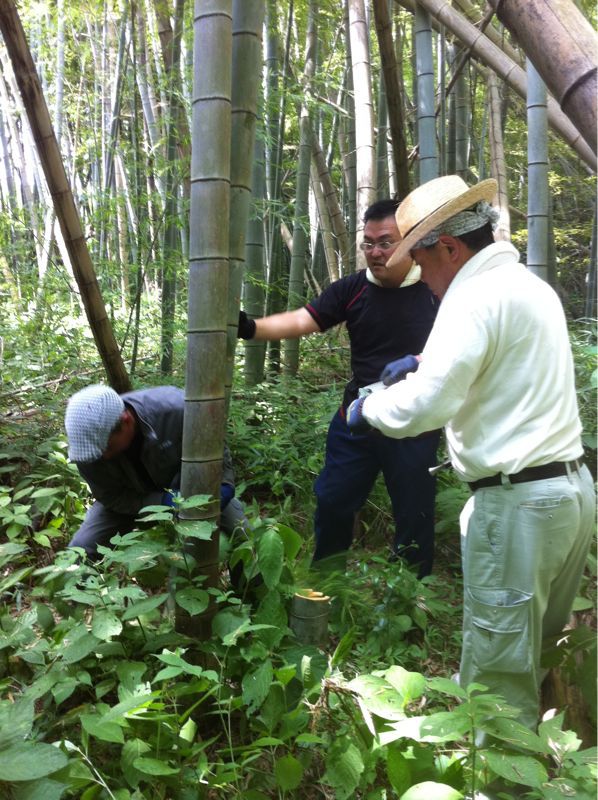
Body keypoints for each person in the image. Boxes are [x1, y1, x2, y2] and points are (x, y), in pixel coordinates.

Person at [346, 175, 595, 731]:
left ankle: (500, 783)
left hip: (517, 507)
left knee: (497, 674)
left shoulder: (473, 297)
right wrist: (423, 361)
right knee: (542, 650)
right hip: (569, 493)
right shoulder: (527, 286)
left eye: (422, 261)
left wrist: (373, 407)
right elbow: (499, 372)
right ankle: (553, 763)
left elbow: (426, 406)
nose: (419, 276)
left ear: (451, 248)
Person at [238, 198, 441, 577]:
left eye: (386, 242)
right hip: (357, 417)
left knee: (415, 512)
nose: (375, 253)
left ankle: (412, 597)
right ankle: (325, 581)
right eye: (368, 243)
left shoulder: (434, 286)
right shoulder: (352, 289)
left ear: (410, 241)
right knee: (332, 500)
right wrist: (250, 328)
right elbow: (304, 319)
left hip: (415, 423)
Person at [64, 384, 246, 560]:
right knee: (79, 552)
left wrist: (223, 486)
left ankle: (248, 590)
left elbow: (216, 450)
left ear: (126, 421)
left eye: (107, 448)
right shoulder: (87, 450)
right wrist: (162, 502)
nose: (101, 457)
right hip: (130, 499)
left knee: (244, 538)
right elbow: (112, 497)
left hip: (193, 492)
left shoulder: (177, 410)